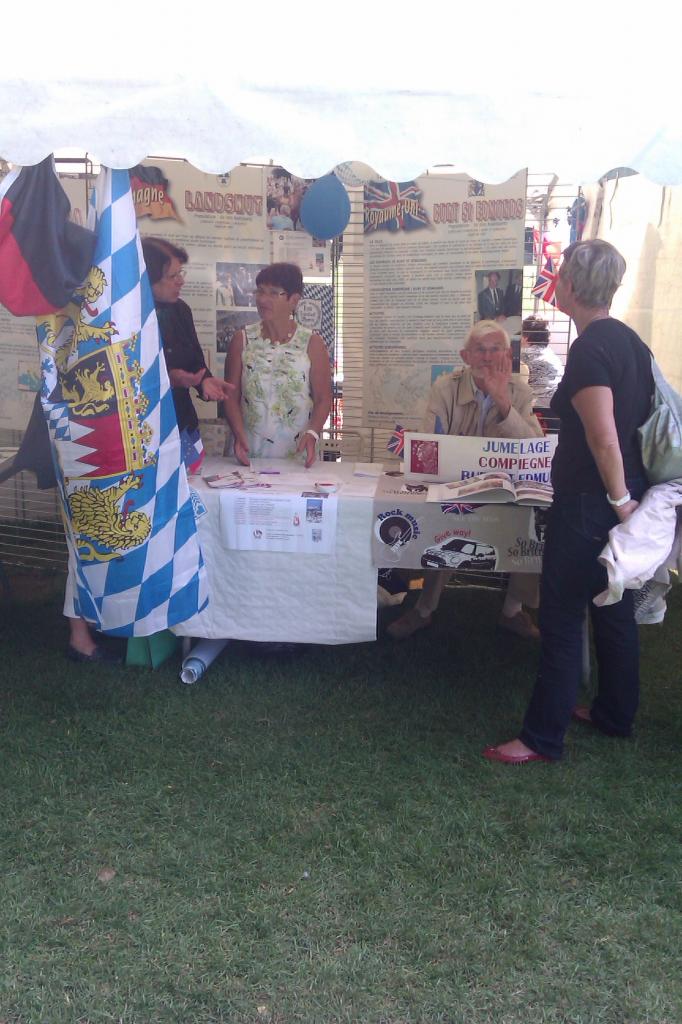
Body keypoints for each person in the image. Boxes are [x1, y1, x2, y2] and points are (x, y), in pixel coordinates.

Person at [484, 239, 654, 764]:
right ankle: (614, 713)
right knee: (613, 607)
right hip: (618, 499)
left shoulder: (590, 350)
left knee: (561, 620)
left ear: (573, 287)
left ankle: (540, 738)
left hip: (591, 502)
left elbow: (604, 438)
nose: (553, 281)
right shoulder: (631, 343)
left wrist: (620, 501)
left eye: (559, 274)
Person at [387, 320, 544, 642]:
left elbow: (534, 446)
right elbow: (429, 442)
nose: (488, 358)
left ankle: (513, 610)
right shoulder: (445, 387)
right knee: (441, 516)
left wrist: (502, 400)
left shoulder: (521, 391)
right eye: (480, 350)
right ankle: (424, 608)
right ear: (466, 356)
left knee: (534, 518)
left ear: (508, 354)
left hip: (507, 486)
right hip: (456, 484)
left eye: (495, 349)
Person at [223, 262, 332, 468]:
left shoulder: (311, 343)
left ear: (294, 300)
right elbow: (231, 395)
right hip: (246, 450)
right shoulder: (243, 339)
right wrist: (238, 434)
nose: (263, 300)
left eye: (274, 293)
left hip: (295, 452)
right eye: (260, 291)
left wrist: (312, 433)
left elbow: (323, 398)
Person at [142, 238, 233, 472]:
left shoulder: (181, 310)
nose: (181, 281)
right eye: (173, 276)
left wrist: (204, 381)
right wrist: (169, 379)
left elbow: (195, 361)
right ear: (148, 277)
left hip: (181, 421)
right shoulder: (127, 317)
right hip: (141, 429)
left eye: (180, 272)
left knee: (187, 488)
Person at [520, 315, 564, 414]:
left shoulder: (522, 356)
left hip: (536, 410)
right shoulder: (552, 356)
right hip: (557, 407)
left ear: (526, 337)